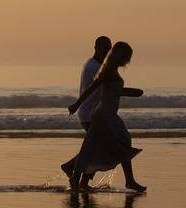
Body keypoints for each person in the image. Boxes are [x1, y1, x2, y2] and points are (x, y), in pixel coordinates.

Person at [67, 41, 146, 192]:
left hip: (106, 114)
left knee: (92, 147)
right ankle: (129, 181)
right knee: (122, 141)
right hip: (104, 115)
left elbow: (113, 91)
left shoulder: (113, 71)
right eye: (127, 57)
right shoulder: (107, 71)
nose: (128, 60)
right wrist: (76, 105)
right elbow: (92, 88)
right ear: (120, 56)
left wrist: (132, 93)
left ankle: (76, 178)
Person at [61, 36, 112, 183]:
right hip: (90, 114)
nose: (107, 51)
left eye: (109, 48)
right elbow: (94, 89)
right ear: (96, 48)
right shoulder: (94, 67)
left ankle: (82, 179)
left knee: (97, 148)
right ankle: (71, 167)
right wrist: (76, 105)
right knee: (97, 148)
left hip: (93, 113)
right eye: (104, 48)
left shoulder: (98, 64)